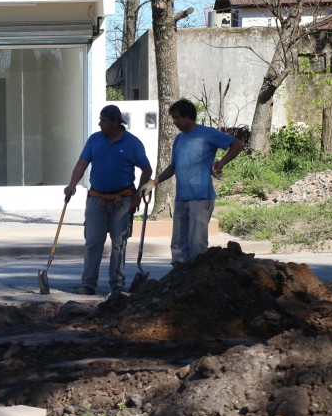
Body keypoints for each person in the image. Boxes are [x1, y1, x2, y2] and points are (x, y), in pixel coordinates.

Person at [64, 105, 152, 295]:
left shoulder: (132, 143)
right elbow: (82, 163)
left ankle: (117, 285)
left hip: (123, 199)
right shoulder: (95, 140)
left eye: (103, 120)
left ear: (115, 122)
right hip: (97, 198)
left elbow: (147, 169)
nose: (99, 123)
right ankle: (88, 284)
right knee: (93, 242)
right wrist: (72, 184)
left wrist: (138, 195)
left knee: (119, 243)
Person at [153, 99, 245, 265]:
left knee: (197, 245)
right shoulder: (179, 139)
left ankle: (197, 278)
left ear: (188, 116)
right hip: (181, 197)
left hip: (201, 197)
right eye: (173, 118)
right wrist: (155, 181)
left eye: (177, 117)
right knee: (178, 245)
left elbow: (238, 144)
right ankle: (178, 277)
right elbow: (173, 166)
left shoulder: (207, 133)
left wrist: (220, 164)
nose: (174, 121)